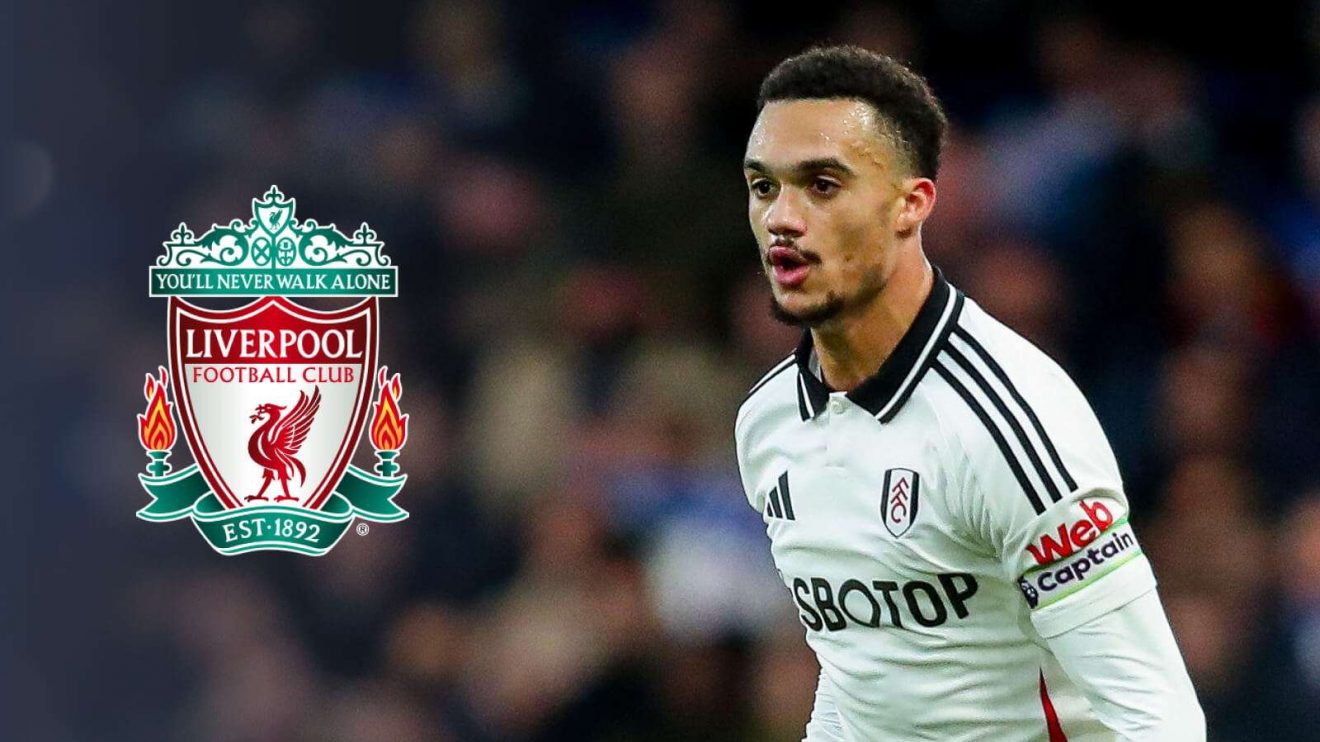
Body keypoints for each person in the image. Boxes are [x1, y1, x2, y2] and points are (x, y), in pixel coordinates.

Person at [733, 46, 1205, 741]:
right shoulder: (768, 422)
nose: (782, 218)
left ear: (910, 204)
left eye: (823, 186)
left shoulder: (1008, 423)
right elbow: (863, 667)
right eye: (764, 186)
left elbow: (1160, 720)